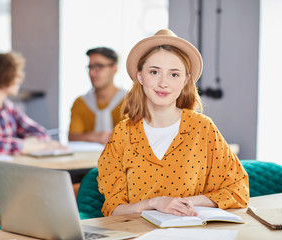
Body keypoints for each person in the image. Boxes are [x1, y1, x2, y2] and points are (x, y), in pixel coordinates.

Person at [97, 29, 249, 217]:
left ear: (185, 81)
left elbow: (238, 191)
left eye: (174, 75)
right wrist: (155, 203)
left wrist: (181, 203)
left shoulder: (203, 128)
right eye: (154, 72)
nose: (163, 83)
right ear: (140, 76)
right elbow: (113, 209)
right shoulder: (122, 133)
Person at [0, 51, 66, 155]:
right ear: (3, 79)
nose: (20, 80)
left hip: (6, 168)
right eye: (16, 75)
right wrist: (37, 146)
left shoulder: (8, 107)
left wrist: (25, 145)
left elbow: (41, 133)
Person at [68, 47, 127, 145]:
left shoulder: (130, 101)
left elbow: (129, 137)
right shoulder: (80, 102)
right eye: (90, 67)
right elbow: (72, 137)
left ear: (114, 69)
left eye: (99, 66)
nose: (92, 73)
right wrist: (95, 136)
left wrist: (87, 136)